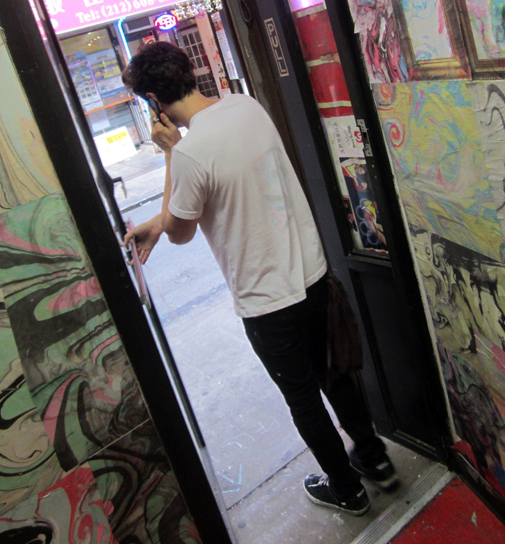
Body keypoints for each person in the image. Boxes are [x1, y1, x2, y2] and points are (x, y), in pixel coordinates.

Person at [122, 41, 398, 516]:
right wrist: (158, 220)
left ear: (153, 101)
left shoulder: (188, 154)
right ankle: (376, 461)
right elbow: (219, 192)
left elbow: (182, 233)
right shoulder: (246, 107)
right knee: (336, 376)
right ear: (190, 72)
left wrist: (169, 153)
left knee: (303, 401)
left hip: (267, 303)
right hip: (312, 275)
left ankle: (347, 491)